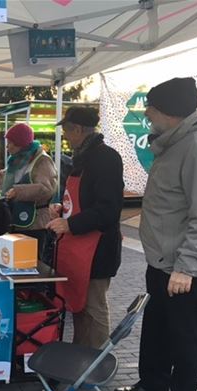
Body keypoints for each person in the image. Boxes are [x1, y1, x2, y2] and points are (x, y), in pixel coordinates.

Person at [114, 77, 197, 391]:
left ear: (168, 111)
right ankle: (153, 385)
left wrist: (187, 267)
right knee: (156, 327)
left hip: (181, 267)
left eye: (151, 108)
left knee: (184, 336)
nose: (147, 114)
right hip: (161, 261)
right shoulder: (172, 143)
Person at [46, 106, 124, 349]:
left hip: (98, 250)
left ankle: (98, 363)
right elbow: (84, 201)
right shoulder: (83, 157)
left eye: (68, 131)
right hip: (78, 248)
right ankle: (80, 358)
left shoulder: (106, 158)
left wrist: (70, 223)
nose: (66, 137)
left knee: (94, 309)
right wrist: (63, 210)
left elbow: (108, 210)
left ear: (78, 129)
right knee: (79, 307)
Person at [0, 123, 57, 258]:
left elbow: (47, 189)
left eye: (10, 143)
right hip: (17, 222)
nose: (7, 146)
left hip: (35, 225)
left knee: (30, 262)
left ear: (20, 144)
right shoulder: (17, 161)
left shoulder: (42, 161)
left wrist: (18, 191)